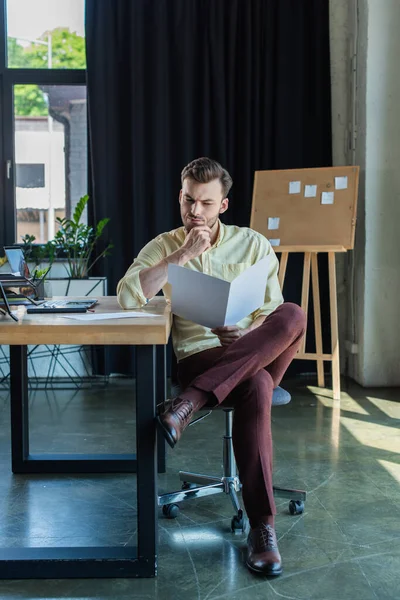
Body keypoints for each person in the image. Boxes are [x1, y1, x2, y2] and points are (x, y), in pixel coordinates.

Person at [117, 157, 306, 577]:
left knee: (293, 313)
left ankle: (188, 404)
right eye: (188, 201)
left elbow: (270, 311)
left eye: (205, 203)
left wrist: (248, 334)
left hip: (251, 351)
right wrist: (183, 254)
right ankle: (262, 528)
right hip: (200, 357)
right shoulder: (166, 245)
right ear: (180, 196)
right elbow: (130, 296)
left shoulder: (253, 243)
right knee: (255, 386)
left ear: (223, 205)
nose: (194, 212)